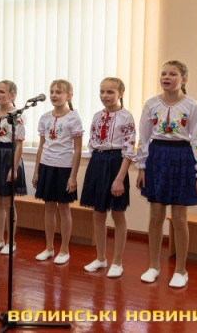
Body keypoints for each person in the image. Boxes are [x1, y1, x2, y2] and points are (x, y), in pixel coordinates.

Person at [136, 60, 197, 288]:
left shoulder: (192, 105)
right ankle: (153, 266)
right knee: (156, 216)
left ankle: (181, 270)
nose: (166, 77)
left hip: (182, 158)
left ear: (183, 79)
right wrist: (142, 167)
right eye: (164, 73)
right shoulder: (151, 104)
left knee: (179, 218)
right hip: (157, 157)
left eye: (172, 74)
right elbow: (144, 137)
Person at [80, 78, 136, 278]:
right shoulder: (97, 116)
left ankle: (117, 262)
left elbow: (129, 150)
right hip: (97, 162)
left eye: (110, 92)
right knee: (98, 213)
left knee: (118, 214)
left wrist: (119, 178)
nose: (105, 96)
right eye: (102, 91)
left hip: (115, 163)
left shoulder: (126, 117)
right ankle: (100, 258)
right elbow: (93, 142)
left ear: (120, 93)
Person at [32, 79, 83, 264]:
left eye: (58, 92)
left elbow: (77, 149)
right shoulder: (45, 117)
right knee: (48, 207)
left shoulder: (73, 118)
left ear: (68, 96)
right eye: (52, 91)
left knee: (63, 207)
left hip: (64, 168)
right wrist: (37, 171)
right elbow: (41, 146)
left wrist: (73, 177)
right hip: (46, 166)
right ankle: (49, 247)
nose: (54, 95)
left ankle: (64, 250)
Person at [0, 80, 27, 255]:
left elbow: (19, 144)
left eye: (2, 91)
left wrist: (14, 168)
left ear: (12, 95)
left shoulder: (17, 115)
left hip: (9, 156)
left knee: (9, 202)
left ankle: (11, 241)